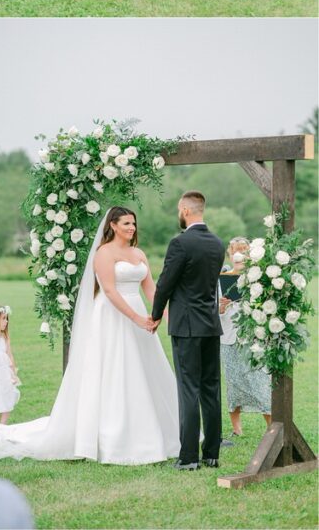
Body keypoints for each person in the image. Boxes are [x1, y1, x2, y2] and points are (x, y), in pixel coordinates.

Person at [0, 207, 180, 463]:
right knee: (115, 369)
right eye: (126, 223)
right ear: (113, 225)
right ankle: (110, 435)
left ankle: (149, 427)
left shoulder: (138, 253)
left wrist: (160, 313)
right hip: (113, 316)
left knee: (143, 367)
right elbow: (109, 291)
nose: (132, 227)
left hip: (138, 314)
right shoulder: (104, 253)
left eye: (133, 223)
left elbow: (151, 287)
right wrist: (136, 318)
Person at [151, 192, 225, 471]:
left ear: (185, 210)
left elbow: (165, 283)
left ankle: (189, 456)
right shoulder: (217, 243)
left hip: (187, 326)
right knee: (211, 389)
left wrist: (155, 315)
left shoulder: (180, 243)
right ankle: (212, 454)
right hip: (210, 325)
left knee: (189, 389)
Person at [219, 238, 271, 436]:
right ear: (230, 255)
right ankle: (236, 429)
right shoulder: (221, 278)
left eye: (243, 250)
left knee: (260, 381)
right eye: (235, 251)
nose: (238, 255)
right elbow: (215, 311)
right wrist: (222, 307)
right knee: (233, 383)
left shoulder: (258, 279)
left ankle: (271, 426)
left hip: (253, 338)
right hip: (229, 338)